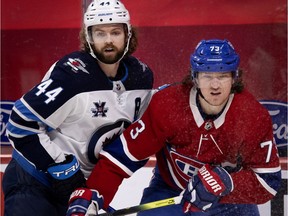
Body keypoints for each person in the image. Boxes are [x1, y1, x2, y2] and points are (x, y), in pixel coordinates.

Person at [66, 39, 282, 216]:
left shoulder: (252, 116)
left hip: (229, 200)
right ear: (194, 77)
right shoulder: (168, 105)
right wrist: (94, 193)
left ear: (234, 78)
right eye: (207, 75)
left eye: (222, 76)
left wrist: (227, 184)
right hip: (170, 191)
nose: (215, 85)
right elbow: (121, 157)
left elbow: (268, 182)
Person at [2, 0, 154, 215]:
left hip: (78, 190)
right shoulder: (72, 75)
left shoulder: (141, 77)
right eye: (100, 33)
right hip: (33, 181)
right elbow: (20, 123)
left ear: (128, 35)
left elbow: (142, 133)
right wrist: (60, 165)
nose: (108, 40)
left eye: (115, 32)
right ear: (88, 37)